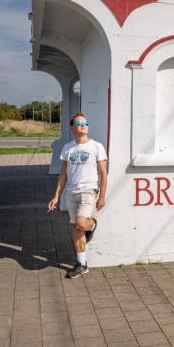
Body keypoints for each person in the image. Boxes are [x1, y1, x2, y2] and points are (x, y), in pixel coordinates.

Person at [48, 113, 108, 278]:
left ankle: (92, 224)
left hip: (88, 191)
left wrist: (102, 196)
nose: (83, 125)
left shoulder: (97, 147)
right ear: (72, 128)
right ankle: (82, 264)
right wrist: (56, 196)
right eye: (79, 123)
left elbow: (103, 174)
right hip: (71, 193)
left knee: (82, 223)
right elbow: (62, 175)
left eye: (85, 122)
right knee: (76, 228)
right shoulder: (67, 147)